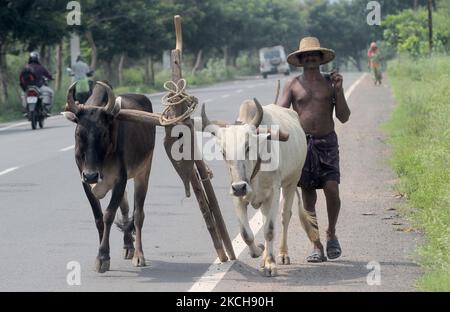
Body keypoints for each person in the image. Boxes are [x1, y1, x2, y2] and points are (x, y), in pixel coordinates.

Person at [277, 37, 351, 262]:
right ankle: (316, 245)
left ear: (320, 59)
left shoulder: (331, 82)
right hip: (302, 146)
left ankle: (331, 234)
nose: (309, 58)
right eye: (305, 55)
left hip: (327, 142)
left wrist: (338, 90)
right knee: (308, 198)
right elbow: (280, 114)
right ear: (300, 60)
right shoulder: (293, 84)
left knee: (332, 190)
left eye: (313, 55)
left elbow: (344, 117)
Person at [20, 51, 54, 116]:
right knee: (51, 92)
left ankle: (25, 110)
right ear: (37, 59)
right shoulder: (41, 67)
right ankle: (47, 109)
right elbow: (48, 76)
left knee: (23, 95)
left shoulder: (26, 67)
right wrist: (51, 78)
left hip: (27, 88)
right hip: (39, 87)